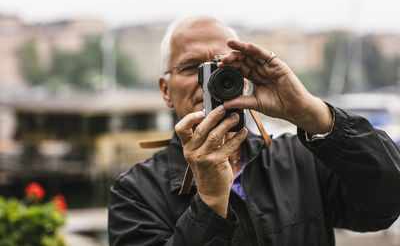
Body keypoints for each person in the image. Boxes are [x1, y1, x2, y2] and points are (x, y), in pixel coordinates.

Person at [108, 15, 400, 246]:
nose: (207, 80)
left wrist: (312, 113)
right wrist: (209, 199)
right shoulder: (134, 192)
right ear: (165, 90)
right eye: (190, 67)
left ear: (243, 79)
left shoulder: (301, 159)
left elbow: (386, 202)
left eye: (222, 66)